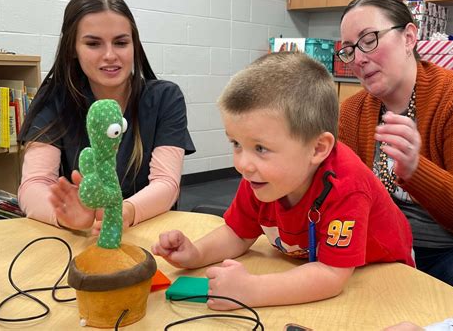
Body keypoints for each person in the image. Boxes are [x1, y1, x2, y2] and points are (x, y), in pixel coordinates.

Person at [152, 52, 414, 311]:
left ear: (317, 149)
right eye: (236, 144)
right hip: (318, 269)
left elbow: (331, 276)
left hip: (383, 276)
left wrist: (251, 290)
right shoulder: (261, 176)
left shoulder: (346, 186)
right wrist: (196, 253)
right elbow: (238, 233)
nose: (242, 164)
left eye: (260, 148)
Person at [18, 0, 195, 233]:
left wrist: (126, 211)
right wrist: (65, 215)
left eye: (121, 42)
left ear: (134, 45)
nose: (110, 56)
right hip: (81, 237)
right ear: (72, 48)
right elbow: (33, 185)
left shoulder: (164, 97)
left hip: (148, 232)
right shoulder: (55, 98)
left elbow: (166, 182)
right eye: (93, 43)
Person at [337, 0, 453, 294]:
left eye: (369, 40)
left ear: (409, 37)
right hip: (382, 247)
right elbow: (347, 197)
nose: (358, 59)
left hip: (449, 250)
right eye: (348, 49)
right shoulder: (353, 110)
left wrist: (415, 170)